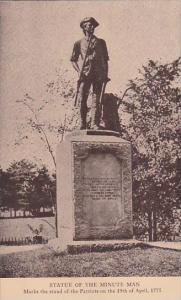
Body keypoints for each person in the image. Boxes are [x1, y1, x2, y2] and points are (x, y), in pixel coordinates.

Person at [71, 17, 109, 130]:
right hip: (85, 74)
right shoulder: (78, 43)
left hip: (98, 75)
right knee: (82, 99)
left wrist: (105, 74)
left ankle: (94, 123)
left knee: (96, 100)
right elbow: (73, 60)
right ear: (84, 27)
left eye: (93, 25)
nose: (91, 27)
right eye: (89, 25)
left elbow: (105, 60)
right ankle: (82, 123)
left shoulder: (101, 42)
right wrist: (79, 71)